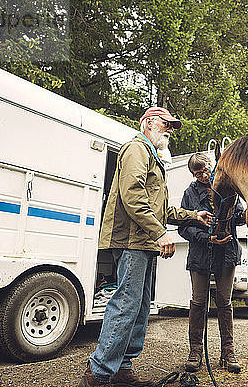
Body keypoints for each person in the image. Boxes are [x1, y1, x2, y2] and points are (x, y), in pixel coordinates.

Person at [80, 107, 213, 387]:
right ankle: (99, 373)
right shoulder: (136, 148)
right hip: (131, 242)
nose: (169, 129)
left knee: (140, 307)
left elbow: (161, 208)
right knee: (126, 304)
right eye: (166, 124)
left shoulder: (153, 156)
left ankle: (122, 368)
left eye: (172, 126)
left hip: (143, 243)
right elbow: (132, 196)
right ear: (148, 122)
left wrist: (193, 216)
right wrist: (159, 233)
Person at [178, 153, 246, 374]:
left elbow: (236, 216)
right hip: (200, 255)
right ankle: (195, 352)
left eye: (206, 170)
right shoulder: (190, 193)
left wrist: (244, 215)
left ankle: (228, 352)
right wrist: (207, 238)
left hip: (226, 253)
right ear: (193, 174)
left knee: (224, 302)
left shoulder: (226, 185)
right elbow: (184, 228)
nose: (204, 175)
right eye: (198, 173)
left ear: (211, 166)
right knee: (198, 302)